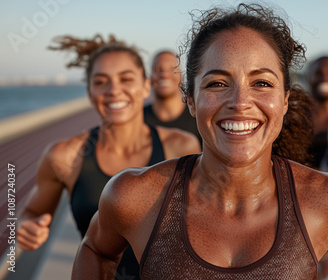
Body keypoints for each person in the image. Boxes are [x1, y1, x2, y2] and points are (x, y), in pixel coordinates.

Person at [71, 4, 328, 279]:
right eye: (217, 83)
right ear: (190, 100)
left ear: (285, 100)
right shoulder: (132, 198)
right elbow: (96, 250)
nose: (240, 101)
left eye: (262, 83)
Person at [17, 34, 201, 279]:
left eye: (126, 79)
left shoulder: (181, 145)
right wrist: (25, 229)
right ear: (90, 91)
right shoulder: (63, 156)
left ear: (146, 85)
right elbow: (30, 214)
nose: (114, 90)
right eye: (101, 81)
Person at [144, 50, 202, 143]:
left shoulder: (198, 118)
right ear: (150, 77)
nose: (164, 75)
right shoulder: (139, 119)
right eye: (158, 69)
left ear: (181, 75)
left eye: (172, 69)